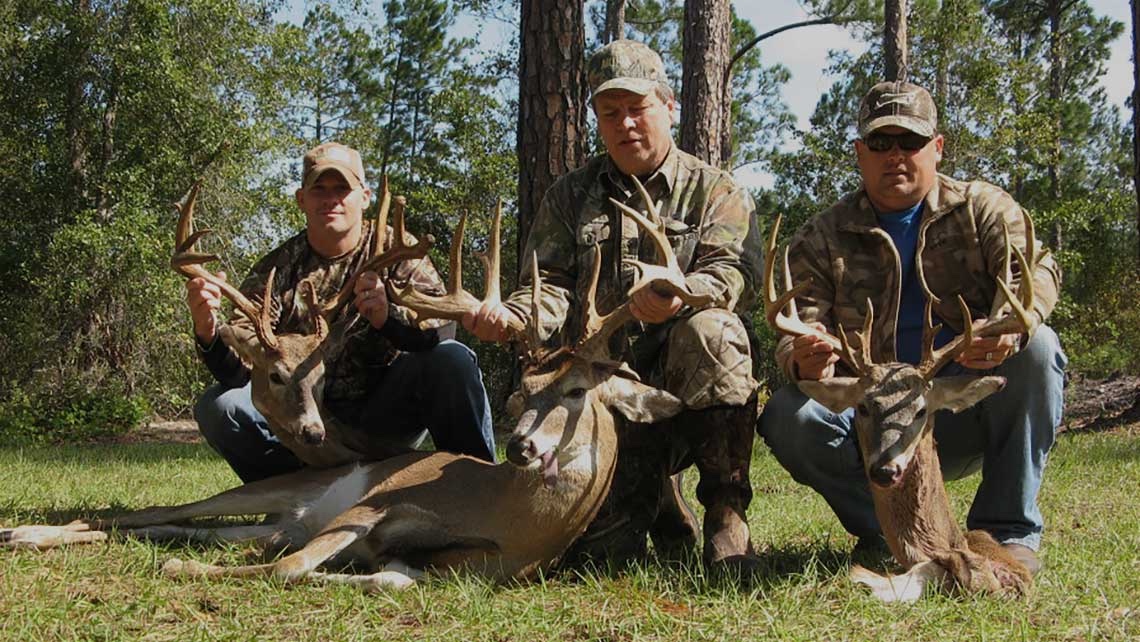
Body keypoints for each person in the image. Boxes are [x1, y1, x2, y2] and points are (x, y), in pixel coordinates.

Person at [464, 40, 764, 570]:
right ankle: (660, 507)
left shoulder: (715, 191)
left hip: (685, 392)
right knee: (602, 557)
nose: (625, 124)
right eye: (610, 113)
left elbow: (733, 273)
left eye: (637, 109)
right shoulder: (569, 195)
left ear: (669, 107)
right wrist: (515, 315)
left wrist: (681, 293)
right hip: (600, 397)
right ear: (596, 121)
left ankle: (725, 511)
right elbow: (548, 282)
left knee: (716, 333)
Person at [757, 80, 1066, 574]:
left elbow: (1036, 272)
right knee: (790, 417)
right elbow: (796, 329)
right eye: (880, 143)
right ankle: (891, 533)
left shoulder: (981, 208)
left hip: (956, 402)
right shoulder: (822, 236)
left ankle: (1007, 530)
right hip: (875, 421)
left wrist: (1010, 326)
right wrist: (802, 354)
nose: (895, 155)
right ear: (860, 152)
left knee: (1038, 349)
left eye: (911, 142)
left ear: (937, 149)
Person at [187, 142, 496, 482]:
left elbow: (441, 334)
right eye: (319, 189)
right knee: (221, 408)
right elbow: (241, 374)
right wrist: (207, 332)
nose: (330, 199)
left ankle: (478, 485)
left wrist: (387, 318)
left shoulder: (397, 253)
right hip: (307, 424)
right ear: (301, 199)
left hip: (386, 416)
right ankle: (300, 493)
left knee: (453, 359)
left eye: (342, 189)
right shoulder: (277, 271)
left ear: (364, 197)